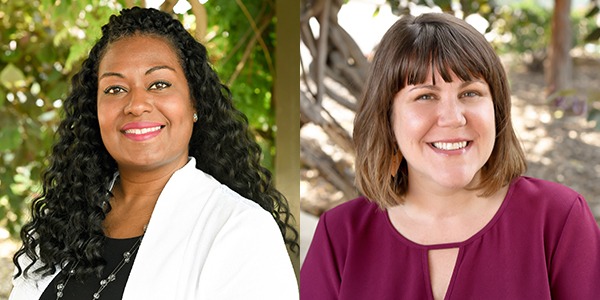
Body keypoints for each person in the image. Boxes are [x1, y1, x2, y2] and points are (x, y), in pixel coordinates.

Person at [300, 12, 600, 300]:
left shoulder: (559, 220)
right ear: (387, 118)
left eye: (470, 93)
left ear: (496, 110)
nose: (453, 118)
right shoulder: (340, 236)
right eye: (425, 96)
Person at [10, 7, 298, 300]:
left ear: (195, 102)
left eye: (159, 84)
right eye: (115, 89)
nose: (137, 104)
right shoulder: (60, 223)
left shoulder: (240, 229)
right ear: (94, 111)